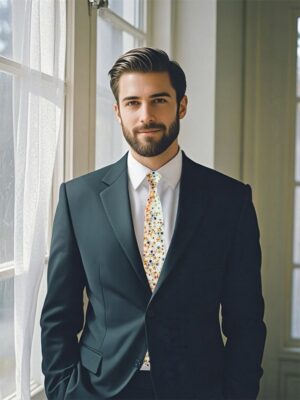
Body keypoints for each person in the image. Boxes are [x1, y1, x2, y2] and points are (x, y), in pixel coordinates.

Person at [40, 47, 266, 400]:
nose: (146, 115)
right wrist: (62, 390)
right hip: (98, 389)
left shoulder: (230, 201)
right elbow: (58, 315)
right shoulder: (77, 198)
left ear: (182, 105)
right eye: (132, 103)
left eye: (159, 100)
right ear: (117, 112)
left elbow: (246, 319)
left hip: (199, 388)